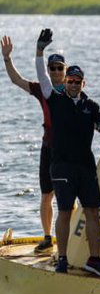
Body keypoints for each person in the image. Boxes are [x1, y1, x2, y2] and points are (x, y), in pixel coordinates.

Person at [34, 29, 100, 277]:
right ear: (64, 82)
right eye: (70, 81)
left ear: (83, 83)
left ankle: (94, 259)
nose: (73, 84)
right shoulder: (54, 99)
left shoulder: (91, 107)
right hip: (61, 166)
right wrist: (40, 51)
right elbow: (42, 76)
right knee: (66, 211)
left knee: (92, 211)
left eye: (77, 81)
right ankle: (63, 258)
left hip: (85, 166)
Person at [2, 35, 66, 252]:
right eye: (52, 68)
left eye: (60, 68)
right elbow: (16, 81)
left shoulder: (73, 90)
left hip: (68, 151)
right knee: (46, 195)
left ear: (65, 71)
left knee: (68, 196)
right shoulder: (42, 89)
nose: (56, 72)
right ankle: (48, 237)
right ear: (47, 70)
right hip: (48, 148)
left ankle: (68, 237)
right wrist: (7, 58)